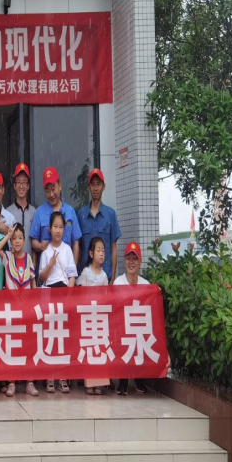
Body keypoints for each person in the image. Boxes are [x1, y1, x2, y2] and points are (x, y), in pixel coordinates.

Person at [0, 223, 39, 397]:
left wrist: (35, 305)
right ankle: (12, 382)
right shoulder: (7, 257)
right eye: (14, 238)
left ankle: (29, 382)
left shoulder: (28, 258)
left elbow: (33, 282)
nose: (17, 241)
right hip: (11, 309)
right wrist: (8, 235)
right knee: (12, 345)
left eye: (20, 238)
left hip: (26, 309)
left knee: (28, 345)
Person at [38, 212, 77, 395]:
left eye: (61, 227)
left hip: (64, 295)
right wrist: (51, 263)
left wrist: (69, 296)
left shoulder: (67, 250)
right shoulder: (45, 252)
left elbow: (72, 275)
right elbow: (41, 277)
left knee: (62, 336)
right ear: (49, 228)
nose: (58, 231)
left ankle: (63, 377)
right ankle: (49, 376)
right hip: (49, 295)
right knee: (50, 335)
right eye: (55, 227)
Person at [113, 241, 150, 396]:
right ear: (124, 260)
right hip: (122, 327)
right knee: (123, 333)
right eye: (128, 258)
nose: (131, 262)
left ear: (140, 261)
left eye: (135, 259)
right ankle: (123, 379)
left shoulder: (146, 285)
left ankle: (139, 378)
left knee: (143, 335)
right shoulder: (118, 283)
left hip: (139, 326)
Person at [30, 166, 82, 266]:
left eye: (53, 189)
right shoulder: (39, 212)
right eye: (47, 191)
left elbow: (75, 243)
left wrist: (73, 270)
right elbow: (33, 241)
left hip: (66, 269)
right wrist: (41, 246)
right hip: (46, 269)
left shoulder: (70, 211)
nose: (51, 194)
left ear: (60, 186)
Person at [77, 168, 122, 282]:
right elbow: (78, 247)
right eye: (92, 184)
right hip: (85, 278)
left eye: (98, 184)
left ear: (103, 187)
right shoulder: (81, 214)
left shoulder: (110, 214)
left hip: (105, 277)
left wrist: (113, 278)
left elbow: (113, 247)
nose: (95, 188)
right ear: (88, 187)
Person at [78, 237, 110, 395]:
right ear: (91, 253)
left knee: (100, 348)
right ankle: (89, 383)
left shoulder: (104, 276)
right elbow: (82, 293)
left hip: (100, 318)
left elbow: (107, 297)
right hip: (88, 317)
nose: (101, 253)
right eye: (98, 250)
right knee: (90, 349)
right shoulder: (86, 272)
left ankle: (100, 383)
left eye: (103, 250)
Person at [6, 163, 36, 256]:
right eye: (18, 182)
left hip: (29, 262)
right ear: (14, 185)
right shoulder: (7, 212)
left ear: (28, 186)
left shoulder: (34, 212)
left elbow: (35, 239)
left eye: (24, 182)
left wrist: (34, 262)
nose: (21, 186)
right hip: (12, 262)